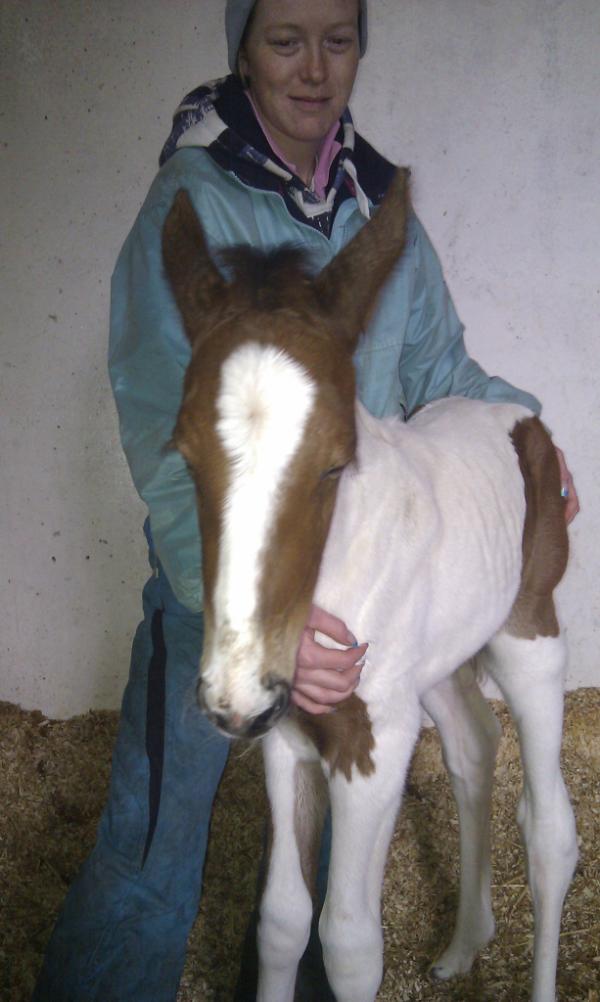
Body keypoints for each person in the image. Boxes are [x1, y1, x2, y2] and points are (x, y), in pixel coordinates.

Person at [32, 1, 579, 1000]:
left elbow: (441, 370)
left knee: (326, 858)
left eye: (338, 40)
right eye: (285, 41)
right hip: (219, 590)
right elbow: (162, 420)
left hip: (351, 582)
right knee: (154, 846)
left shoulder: (375, 206)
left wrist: (534, 446)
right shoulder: (195, 204)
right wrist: (239, 609)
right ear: (242, 51)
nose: (315, 68)